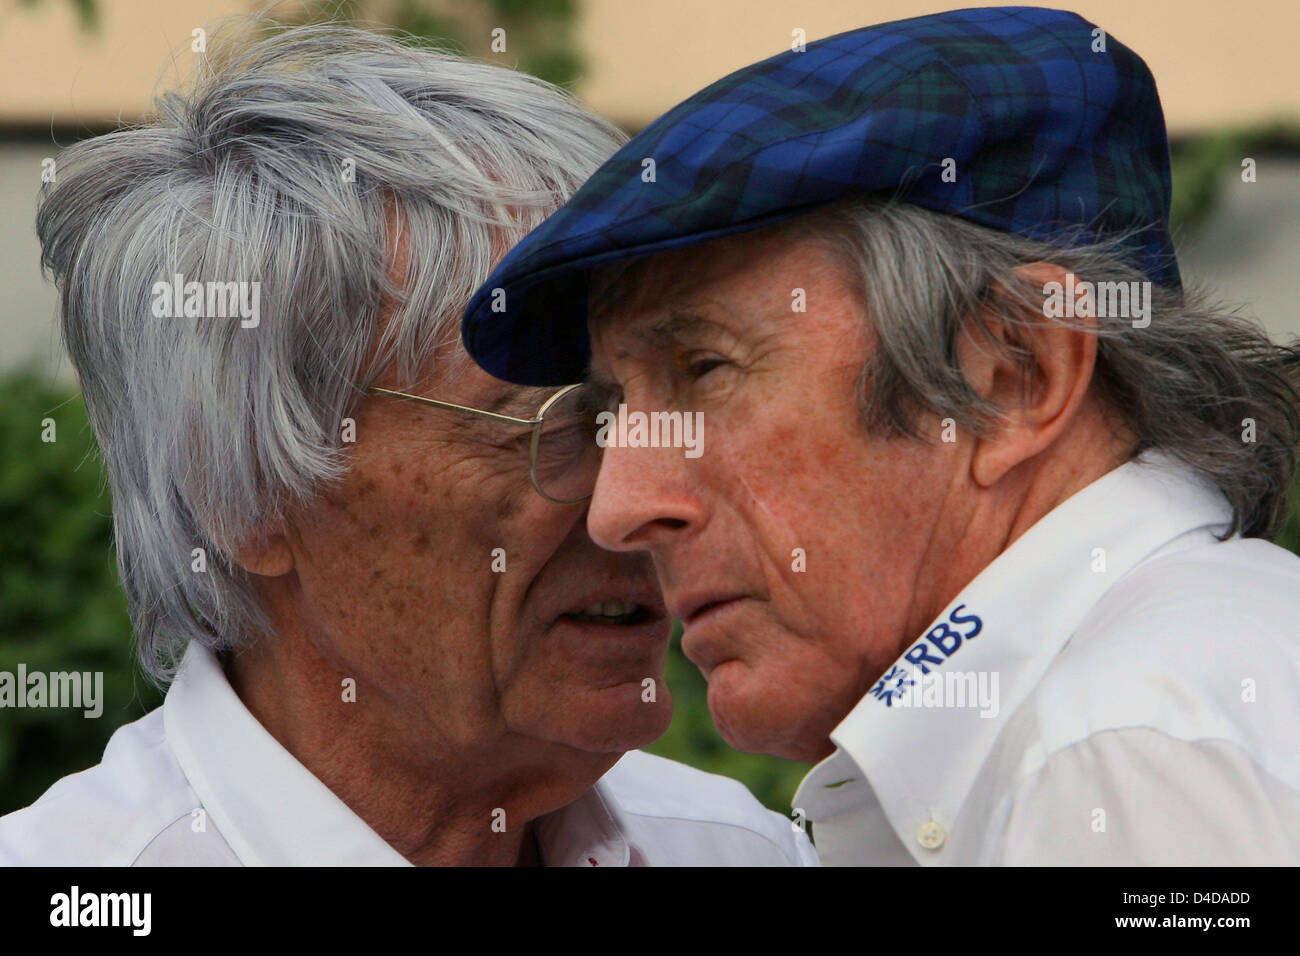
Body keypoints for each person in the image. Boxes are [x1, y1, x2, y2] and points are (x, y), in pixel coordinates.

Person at [461, 6, 1300, 865]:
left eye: (705, 368)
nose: (619, 509)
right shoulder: (1151, 698)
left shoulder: (1124, 751)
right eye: (610, 411)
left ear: (1017, 374)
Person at [0, 21, 818, 867]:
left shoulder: (737, 849)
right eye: (570, 422)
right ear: (245, 492)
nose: (648, 498)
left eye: (668, 403)